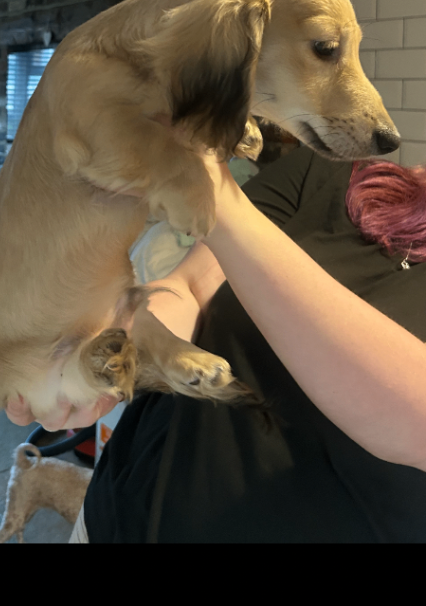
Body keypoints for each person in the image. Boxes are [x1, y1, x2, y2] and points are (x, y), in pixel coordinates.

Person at [73, 144, 426, 544]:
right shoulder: (327, 176)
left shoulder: (233, 211)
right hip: (115, 515)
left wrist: (222, 201)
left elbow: (414, 421)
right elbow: (191, 287)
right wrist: (106, 358)